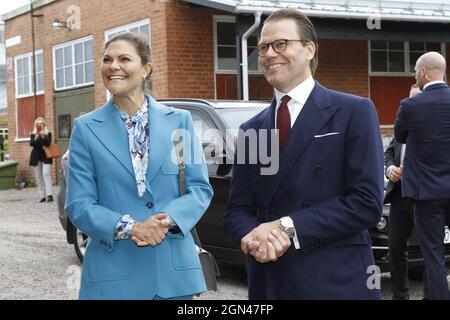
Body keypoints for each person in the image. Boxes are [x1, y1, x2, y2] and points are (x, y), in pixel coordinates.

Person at [224, 9, 384, 299]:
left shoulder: (353, 112)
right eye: (263, 47)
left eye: (281, 44)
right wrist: (253, 236)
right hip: (270, 283)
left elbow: (366, 203)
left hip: (335, 281)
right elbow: (238, 210)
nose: (270, 54)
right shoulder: (252, 129)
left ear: (309, 49)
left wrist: (287, 227)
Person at [65, 32, 213, 300]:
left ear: (146, 69)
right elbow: (79, 204)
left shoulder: (180, 121)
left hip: (173, 279)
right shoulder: (85, 129)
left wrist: (165, 222)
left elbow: (199, 189)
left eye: (124, 59)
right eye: (107, 60)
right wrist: (132, 227)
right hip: (112, 278)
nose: (113, 66)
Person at [394, 51, 450, 300]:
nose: (414, 75)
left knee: (434, 255)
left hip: (427, 194)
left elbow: (400, 136)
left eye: (416, 70)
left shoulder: (410, 105)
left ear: (424, 71)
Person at [384, 84, 429, 300]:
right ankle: (399, 296)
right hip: (400, 195)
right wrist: (390, 168)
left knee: (429, 250)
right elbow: (390, 151)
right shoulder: (402, 124)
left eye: (416, 99)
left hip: (426, 197)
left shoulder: (436, 126)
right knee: (395, 248)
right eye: (409, 100)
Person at [29, 117, 53, 202]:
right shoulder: (33, 134)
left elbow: (48, 143)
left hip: (46, 156)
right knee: (39, 176)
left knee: (46, 174)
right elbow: (32, 144)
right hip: (36, 156)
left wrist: (42, 136)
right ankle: (42, 196)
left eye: (41, 123)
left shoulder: (48, 133)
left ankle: (49, 195)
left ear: (44, 125)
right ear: (35, 125)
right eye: (37, 124)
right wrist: (36, 136)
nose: (39, 125)